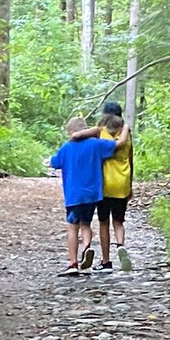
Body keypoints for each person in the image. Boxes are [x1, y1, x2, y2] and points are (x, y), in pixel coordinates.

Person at [49, 117, 129, 276]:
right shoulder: (96, 145)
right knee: (86, 223)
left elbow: (54, 163)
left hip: (73, 195)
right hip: (93, 195)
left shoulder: (66, 148)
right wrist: (125, 128)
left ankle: (73, 263)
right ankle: (86, 246)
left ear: (71, 132)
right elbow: (118, 144)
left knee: (73, 226)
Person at [71, 102, 134, 272]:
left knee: (103, 222)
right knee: (118, 221)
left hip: (104, 184)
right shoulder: (126, 134)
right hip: (122, 183)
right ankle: (120, 245)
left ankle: (106, 262)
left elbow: (76, 135)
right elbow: (131, 159)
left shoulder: (100, 132)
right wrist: (130, 185)